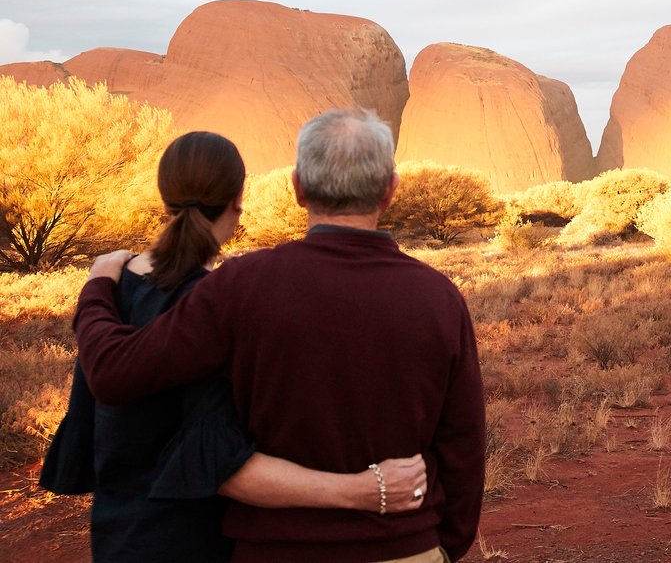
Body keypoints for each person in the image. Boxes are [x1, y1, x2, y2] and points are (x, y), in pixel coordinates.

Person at [75, 108, 485, 563]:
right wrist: (440, 544)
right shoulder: (440, 298)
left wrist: (97, 288)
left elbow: (115, 373)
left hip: (273, 549)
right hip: (404, 546)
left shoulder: (240, 285)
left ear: (297, 188)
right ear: (390, 190)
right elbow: (463, 445)